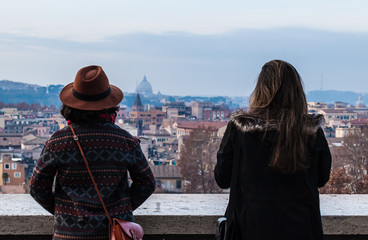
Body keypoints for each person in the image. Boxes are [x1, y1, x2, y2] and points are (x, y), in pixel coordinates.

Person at [30, 65, 155, 240]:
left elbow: (37, 188)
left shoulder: (57, 142)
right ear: (110, 106)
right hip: (113, 233)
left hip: (69, 235)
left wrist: (65, 213)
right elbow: (147, 183)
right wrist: (121, 209)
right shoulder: (125, 141)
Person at [215, 60, 331, 240]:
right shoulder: (311, 130)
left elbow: (222, 179)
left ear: (260, 90)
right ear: (297, 91)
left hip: (250, 229)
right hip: (302, 229)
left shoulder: (240, 129)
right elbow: (321, 178)